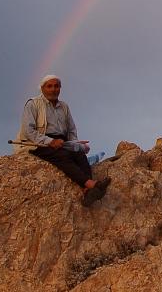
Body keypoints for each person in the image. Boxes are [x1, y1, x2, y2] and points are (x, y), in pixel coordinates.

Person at [15, 74, 110, 207]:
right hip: (38, 143)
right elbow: (28, 131)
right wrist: (49, 141)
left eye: (56, 86)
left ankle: (88, 191)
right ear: (42, 88)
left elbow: (71, 129)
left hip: (62, 141)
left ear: (60, 88)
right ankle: (90, 184)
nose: (53, 89)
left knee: (79, 154)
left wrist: (75, 144)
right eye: (49, 86)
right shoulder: (33, 104)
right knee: (63, 156)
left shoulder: (64, 106)